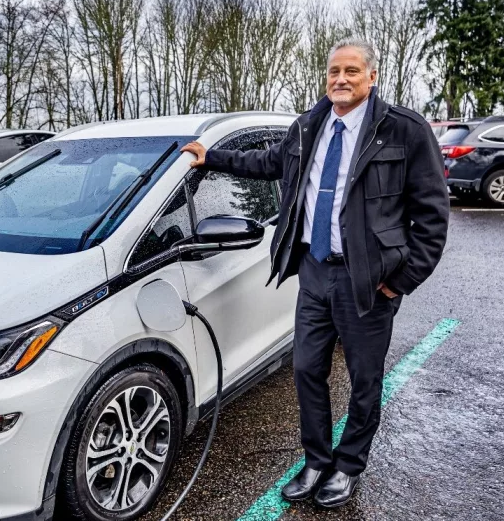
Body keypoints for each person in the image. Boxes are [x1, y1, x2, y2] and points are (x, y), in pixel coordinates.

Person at [181, 38, 449, 508]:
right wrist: (212, 156)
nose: (340, 80)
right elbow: (267, 163)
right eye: (333, 72)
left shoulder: (404, 130)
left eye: (351, 71)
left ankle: (348, 466)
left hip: (369, 281)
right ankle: (316, 460)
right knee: (307, 370)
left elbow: (431, 217)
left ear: (372, 76)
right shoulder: (309, 125)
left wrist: (399, 281)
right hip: (315, 271)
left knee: (365, 379)